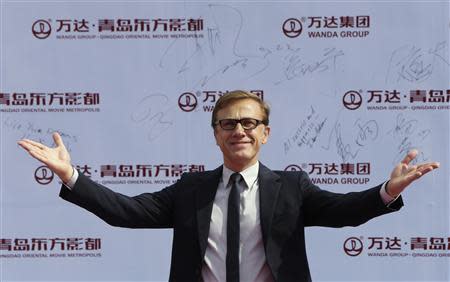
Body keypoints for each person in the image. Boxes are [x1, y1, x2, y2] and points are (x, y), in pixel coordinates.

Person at [18, 90, 439, 282]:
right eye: (228, 123)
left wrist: (387, 190)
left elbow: (344, 210)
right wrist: (70, 175)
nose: (239, 129)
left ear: (265, 133)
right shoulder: (190, 190)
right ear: (216, 134)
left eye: (249, 122)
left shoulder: (292, 188)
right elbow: (125, 212)